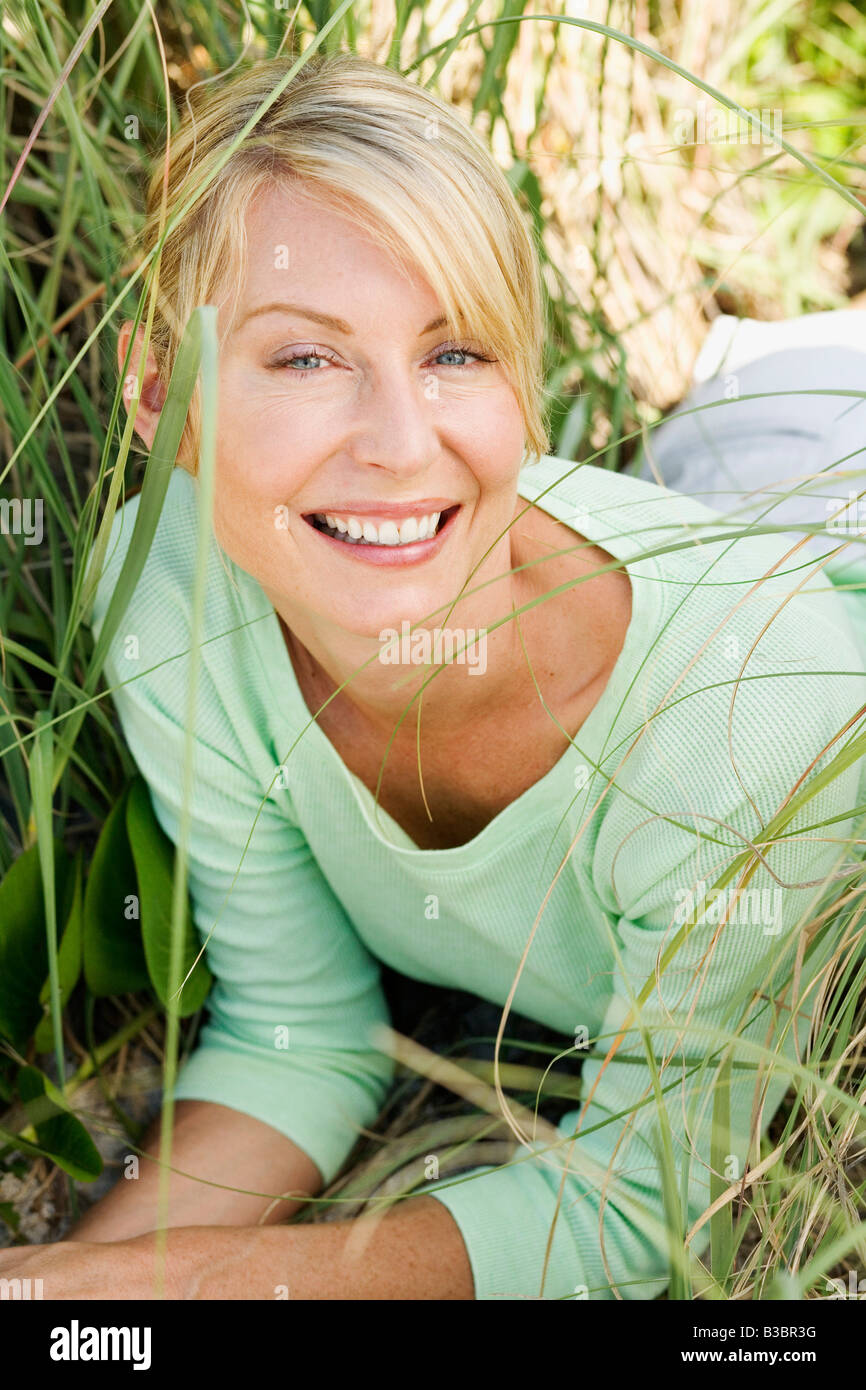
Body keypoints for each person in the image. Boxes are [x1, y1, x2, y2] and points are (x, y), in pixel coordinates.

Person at [3, 51, 865, 1301]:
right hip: (739, 469)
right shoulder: (169, 590)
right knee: (735, 424)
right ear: (159, 395)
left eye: (455, 351)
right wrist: (60, 1296)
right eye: (304, 359)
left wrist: (162, 1297)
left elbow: (640, 1212)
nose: (403, 448)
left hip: (816, 531)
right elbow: (295, 1039)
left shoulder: (755, 728)